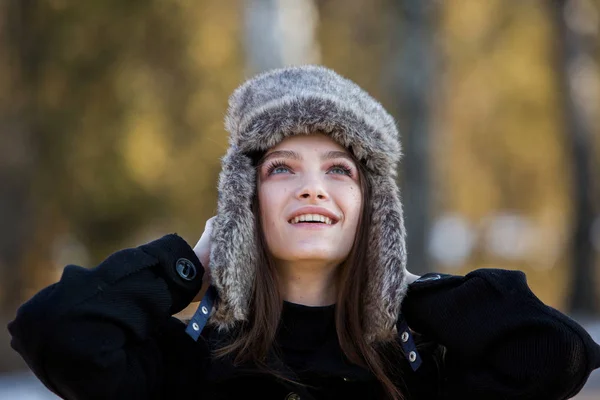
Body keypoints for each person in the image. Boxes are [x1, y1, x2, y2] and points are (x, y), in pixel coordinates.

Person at [7, 65, 600, 400]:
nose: (312, 188)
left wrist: (403, 286)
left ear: (373, 210)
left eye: (338, 169)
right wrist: (192, 263)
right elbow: (54, 331)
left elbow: (559, 355)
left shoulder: (419, 367)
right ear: (245, 200)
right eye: (283, 168)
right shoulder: (182, 361)